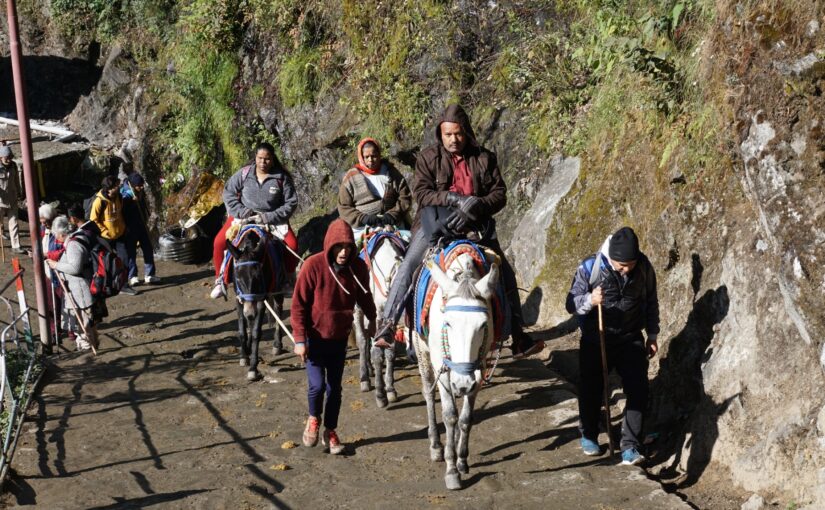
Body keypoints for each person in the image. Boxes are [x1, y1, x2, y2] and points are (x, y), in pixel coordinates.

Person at [372, 104, 543, 357]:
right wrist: (455, 200)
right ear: (440, 134)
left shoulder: (484, 158)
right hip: (435, 224)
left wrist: (477, 204)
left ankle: (517, 336)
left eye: (458, 134)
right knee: (409, 265)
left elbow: (500, 194)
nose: (453, 139)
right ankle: (387, 325)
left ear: (467, 132)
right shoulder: (428, 158)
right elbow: (421, 193)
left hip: (476, 226)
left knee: (504, 271)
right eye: (448, 134)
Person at [565, 226, 660, 466]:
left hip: (631, 336)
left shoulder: (644, 267)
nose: (626, 269)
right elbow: (570, 303)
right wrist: (590, 300)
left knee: (638, 390)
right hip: (596, 337)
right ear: (611, 258)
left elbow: (650, 301)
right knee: (592, 388)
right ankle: (589, 434)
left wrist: (653, 334)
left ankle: (630, 446)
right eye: (621, 265)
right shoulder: (590, 266)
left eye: (630, 264)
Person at [291, 219, 376, 455]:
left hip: (339, 339)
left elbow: (366, 297)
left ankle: (330, 431)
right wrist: (300, 340)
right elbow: (298, 306)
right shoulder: (313, 266)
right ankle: (313, 418)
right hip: (314, 339)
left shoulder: (358, 268)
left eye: (348, 247)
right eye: (339, 247)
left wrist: (373, 320)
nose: (343, 252)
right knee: (317, 387)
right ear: (330, 246)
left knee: (335, 389)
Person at [211, 142, 299, 299]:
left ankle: (287, 280)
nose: (263, 163)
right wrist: (243, 212)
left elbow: (291, 203)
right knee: (219, 242)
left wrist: (267, 217)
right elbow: (228, 192)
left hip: (271, 218)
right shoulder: (244, 174)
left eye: (267, 159)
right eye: (260, 158)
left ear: (272, 159)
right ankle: (221, 280)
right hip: (243, 216)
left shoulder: (281, 178)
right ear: (255, 157)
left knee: (292, 244)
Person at [46, 216, 104, 351]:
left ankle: (87, 350)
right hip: (80, 290)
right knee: (86, 324)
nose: (55, 238)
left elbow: (75, 268)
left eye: (56, 235)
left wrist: (56, 265)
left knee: (83, 324)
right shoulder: (77, 238)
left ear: (61, 233)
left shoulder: (73, 245)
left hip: (80, 292)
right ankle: (90, 345)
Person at [337, 137, 412, 239]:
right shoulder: (351, 178)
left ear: (379, 154)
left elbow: (405, 196)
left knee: (412, 242)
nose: (370, 160)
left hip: (393, 223)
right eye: (366, 157)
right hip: (362, 228)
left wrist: (393, 215)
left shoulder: (390, 172)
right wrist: (363, 218)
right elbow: (343, 207)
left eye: (374, 156)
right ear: (361, 157)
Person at [90, 175, 138, 296]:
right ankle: (106, 284)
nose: (118, 187)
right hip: (105, 238)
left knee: (124, 259)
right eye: (116, 186)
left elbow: (121, 213)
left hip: (120, 234)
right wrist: (104, 231)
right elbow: (93, 220)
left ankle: (123, 285)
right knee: (106, 262)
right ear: (109, 188)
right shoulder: (99, 201)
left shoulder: (119, 197)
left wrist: (124, 227)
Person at [121, 172, 160, 285]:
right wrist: (131, 202)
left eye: (142, 185)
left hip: (142, 224)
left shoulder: (139, 191)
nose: (141, 187)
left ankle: (150, 274)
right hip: (130, 227)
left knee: (148, 248)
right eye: (139, 185)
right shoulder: (125, 195)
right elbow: (122, 212)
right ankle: (133, 276)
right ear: (133, 185)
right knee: (131, 253)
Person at [0, 145, 25, 254]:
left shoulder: (13, 166)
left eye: (10, 157)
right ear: (1, 157)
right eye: (6, 157)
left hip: (12, 199)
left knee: (14, 223)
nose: (9, 159)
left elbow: (16, 181)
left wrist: (19, 193)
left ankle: (16, 245)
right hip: (0, 201)